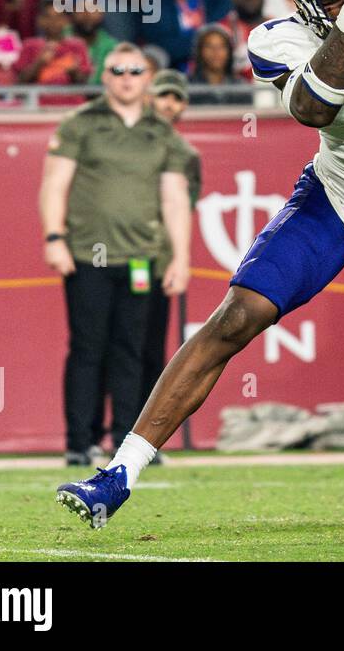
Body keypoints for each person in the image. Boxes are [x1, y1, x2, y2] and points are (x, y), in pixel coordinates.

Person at [57, 0, 344, 525]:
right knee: (236, 315)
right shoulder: (279, 37)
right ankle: (119, 474)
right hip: (334, 199)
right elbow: (318, 105)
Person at [40, 42, 193, 467]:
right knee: (88, 347)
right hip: (88, 254)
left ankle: (130, 447)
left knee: (132, 350)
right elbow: (55, 184)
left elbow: (175, 199)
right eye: (118, 71)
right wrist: (54, 237)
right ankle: (79, 440)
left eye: (134, 71)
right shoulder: (80, 124)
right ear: (105, 77)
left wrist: (180, 257)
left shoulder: (162, 132)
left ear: (147, 78)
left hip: (142, 257)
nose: (126, 78)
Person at [142, 69, 201, 435]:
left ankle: (136, 434)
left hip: (157, 259)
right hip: (118, 253)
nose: (169, 103)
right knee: (109, 348)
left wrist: (177, 258)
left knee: (150, 351)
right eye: (164, 95)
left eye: (176, 98)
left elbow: (183, 206)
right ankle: (89, 435)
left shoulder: (185, 154)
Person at [14, 0, 91, 85]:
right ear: (39, 21)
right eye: (48, 17)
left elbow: (85, 83)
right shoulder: (29, 45)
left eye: (59, 17)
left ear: (67, 21)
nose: (53, 22)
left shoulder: (78, 46)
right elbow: (20, 82)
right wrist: (39, 64)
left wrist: (74, 72)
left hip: (71, 98)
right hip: (36, 99)